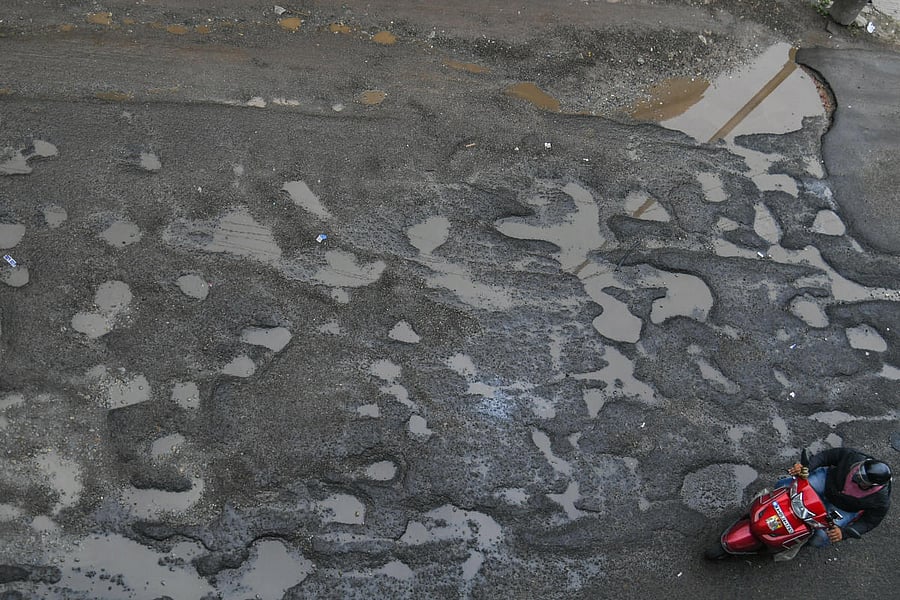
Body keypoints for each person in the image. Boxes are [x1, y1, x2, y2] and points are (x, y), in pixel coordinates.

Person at [785, 447, 892, 547]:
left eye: (861, 479)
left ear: (873, 485)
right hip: (826, 481)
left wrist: (843, 533)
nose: (855, 476)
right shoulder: (853, 457)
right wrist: (808, 467)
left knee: (819, 538)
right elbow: (827, 456)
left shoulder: (881, 500)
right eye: (858, 471)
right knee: (785, 487)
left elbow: (869, 522)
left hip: (843, 508)